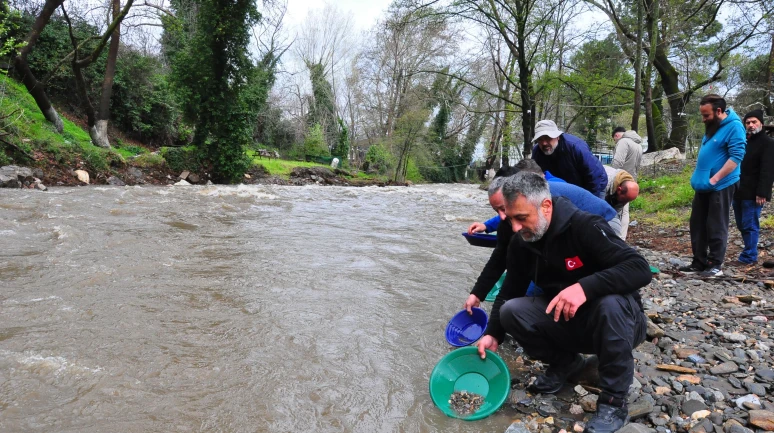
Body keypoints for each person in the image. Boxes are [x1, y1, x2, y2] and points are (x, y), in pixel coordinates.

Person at [476, 172, 650, 433]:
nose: (515, 227)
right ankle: (566, 364)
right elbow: (508, 293)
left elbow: (639, 268)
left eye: (521, 218)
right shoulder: (522, 242)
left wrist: (584, 288)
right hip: (570, 323)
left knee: (610, 304)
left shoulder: (585, 226)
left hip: (621, 325)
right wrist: (492, 333)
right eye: (510, 219)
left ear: (546, 206)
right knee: (511, 311)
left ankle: (614, 403)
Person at [464, 159, 621, 313]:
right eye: (496, 210)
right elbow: (500, 256)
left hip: (604, 218)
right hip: (570, 229)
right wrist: (477, 293)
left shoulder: (540, 197)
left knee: (542, 284)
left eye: (503, 208)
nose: (502, 216)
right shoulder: (514, 215)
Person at [679, 94, 746, 277]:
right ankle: (699, 262)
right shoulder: (713, 127)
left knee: (716, 224)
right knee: (697, 223)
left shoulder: (734, 126)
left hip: (721, 185)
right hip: (703, 186)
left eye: (706, 115)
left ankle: (715, 265)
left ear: (719, 111)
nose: (703, 119)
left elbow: (736, 157)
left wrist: (715, 179)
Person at [731, 109, 774, 265]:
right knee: (741, 224)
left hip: (754, 192)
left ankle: (749, 256)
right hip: (738, 190)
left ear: (761, 123)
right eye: (748, 122)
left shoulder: (768, 143)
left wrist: (762, 192)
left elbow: (768, 170)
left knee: (750, 224)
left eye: (754, 122)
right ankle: (749, 251)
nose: (751, 125)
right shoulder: (744, 141)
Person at [531, 119, 608, 199]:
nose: (544, 143)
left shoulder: (576, 147)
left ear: (557, 137)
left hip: (595, 184)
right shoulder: (537, 152)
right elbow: (535, 177)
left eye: (548, 138)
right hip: (567, 186)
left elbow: (594, 175)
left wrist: (589, 200)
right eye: (540, 139)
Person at [603, 166, 640, 240]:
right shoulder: (602, 182)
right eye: (625, 200)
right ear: (619, 190)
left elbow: (614, 213)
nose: (625, 203)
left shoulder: (626, 185)